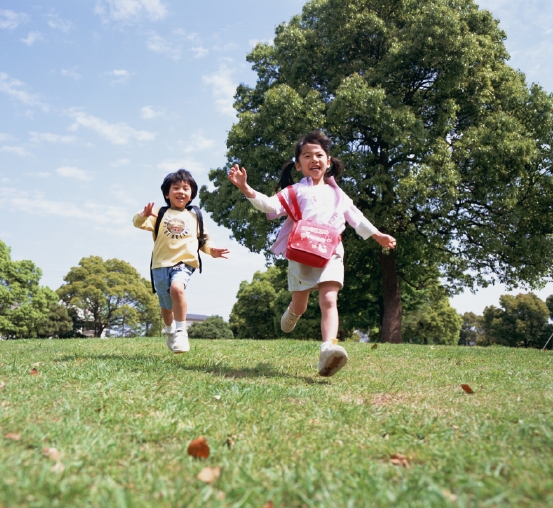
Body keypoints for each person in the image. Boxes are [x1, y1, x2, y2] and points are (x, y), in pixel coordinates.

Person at [227, 131, 396, 377]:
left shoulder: (338, 194)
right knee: (301, 303)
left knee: (329, 300)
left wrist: (377, 234)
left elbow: (355, 217)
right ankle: (294, 312)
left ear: (328, 162)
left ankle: (329, 347)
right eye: (307, 156)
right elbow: (270, 205)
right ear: (298, 165)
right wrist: (245, 188)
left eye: (319, 155)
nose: (314, 159)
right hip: (302, 252)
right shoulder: (294, 191)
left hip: (331, 252)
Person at [134, 169, 229, 354]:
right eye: (175, 187)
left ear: (191, 194)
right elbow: (137, 223)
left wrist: (212, 251)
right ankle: (169, 331)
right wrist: (143, 214)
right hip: (160, 265)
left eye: (186, 188)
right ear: (166, 194)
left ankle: (181, 332)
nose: (181, 191)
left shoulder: (195, 216)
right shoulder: (159, 214)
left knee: (177, 289)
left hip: (184, 263)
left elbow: (204, 241)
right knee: (166, 307)